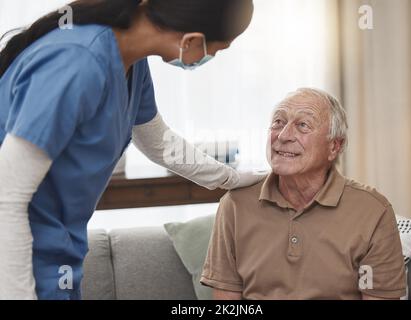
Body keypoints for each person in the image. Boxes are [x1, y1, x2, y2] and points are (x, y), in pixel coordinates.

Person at [0, 0, 261, 300]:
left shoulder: (131, 62)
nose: (212, 56)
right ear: (192, 39)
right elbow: (6, 196)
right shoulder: (78, 62)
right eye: (217, 49)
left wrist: (232, 178)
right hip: (14, 256)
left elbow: (159, 142)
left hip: (57, 253)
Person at [200, 88, 407, 300]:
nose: (283, 135)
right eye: (278, 122)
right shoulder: (235, 204)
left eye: (303, 125)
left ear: (334, 146)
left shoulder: (372, 212)